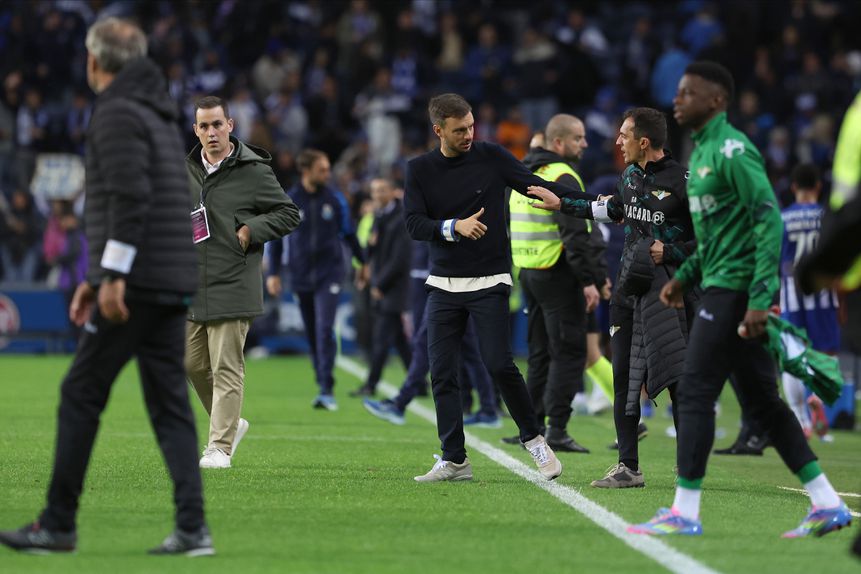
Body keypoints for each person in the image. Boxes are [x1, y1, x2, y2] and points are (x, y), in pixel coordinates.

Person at [0, 18, 212, 555]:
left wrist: (112, 276)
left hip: (137, 281)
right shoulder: (158, 113)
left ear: (95, 62)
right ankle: (193, 528)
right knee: (168, 404)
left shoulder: (116, 111)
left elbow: (129, 198)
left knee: (80, 392)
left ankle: (58, 524)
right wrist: (97, 279)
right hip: (168, 277)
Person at [625, 61, 849, 537]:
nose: (677, 99)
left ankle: (684, 511)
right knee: (764, 403)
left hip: (735, 292)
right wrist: (685, 276)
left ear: (717, 101)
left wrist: (760, 298)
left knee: (697, 390)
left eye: (688, 92)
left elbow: (767, 220)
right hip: (720, 284)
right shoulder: (703, 152)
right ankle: (827, 502)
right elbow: (721, 235)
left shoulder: (732, 150)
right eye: (678, 91)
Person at [403, 93, 591, 483]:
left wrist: (596, 204)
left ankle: (536, 441)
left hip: (490, 279)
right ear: (438, 131)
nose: (469, 134)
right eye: (459, 130)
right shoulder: (419, 169)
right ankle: (454, 459)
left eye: (471, 126)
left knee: (498, 364)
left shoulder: (491, 156)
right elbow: (414, 223)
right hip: (443, 283)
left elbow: (537, 185)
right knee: (441, 373)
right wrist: (453, 227)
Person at [529, 107, 694, 488]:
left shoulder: (685, 182)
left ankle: (689, 463)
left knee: (676, 379)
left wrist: (668, 253)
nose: (617, 141)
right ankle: (628, 466)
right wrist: (562, 202)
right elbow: (611, 208)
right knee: (623, 377)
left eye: (624, 135)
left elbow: (708, 243)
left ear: (644, 141)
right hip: (628, 290)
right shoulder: (630, 176)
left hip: (670, 293)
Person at [185, 95, 300, 469]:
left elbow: (289, 213)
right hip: (192, 283)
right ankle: (233, 423)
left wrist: (253, 229)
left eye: (217, 124)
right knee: (190, 363)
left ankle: (220, 447)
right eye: (204, 126)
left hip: (234, 280)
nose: (211, 132)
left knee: (227, 366)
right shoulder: (185, 170)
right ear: (196, 130)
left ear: (230, 125)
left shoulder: (254, 171)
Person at [503, 113, 598, 454]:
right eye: (578, 138)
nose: (584, 144)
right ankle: (556, 429)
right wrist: (589, 279)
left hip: (528, 271)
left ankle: (529, 427)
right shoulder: (563, 175)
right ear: (558, 143)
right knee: (569, 352)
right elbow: (575, 232)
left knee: (540, 352)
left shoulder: (526, 174)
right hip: (557, 271)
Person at [796, 89, 861, 558]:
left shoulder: (856, 112)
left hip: (812, 292)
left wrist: (832, 267)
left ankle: (811, 411)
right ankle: (824, 407)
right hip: (832, 292)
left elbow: (850, 201)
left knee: (796, 365)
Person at [266, 149, 365, 412]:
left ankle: (326, 388)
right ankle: (322, 380)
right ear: (306, 170)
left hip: (330, 274)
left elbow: (350, 235)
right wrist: (274, 273)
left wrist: (362, 263)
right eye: (322, 169)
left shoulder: (335, 200)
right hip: (300, 276)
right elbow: (276, 240)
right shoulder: (289, 200)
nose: (327, 174)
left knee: (323, 328)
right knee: (312, 332)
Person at [362, 241, 498, 427]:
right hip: (446, 283)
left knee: (425, 344)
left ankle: (400, 403)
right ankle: (488, 409)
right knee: (469, 351)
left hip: (446, 286)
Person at [779, 164, 840, 439]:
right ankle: (817, 394)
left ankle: (799, 417)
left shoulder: (782, 218)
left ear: (793, 188)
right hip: (823, 292)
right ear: (817, 187)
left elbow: (773, 257)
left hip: (791, 294)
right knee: (827, 352)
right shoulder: (826, 217)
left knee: (792, 355)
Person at [349, 178, 412, 397]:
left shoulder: (401, 216)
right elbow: (372, 247)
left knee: (382, 337)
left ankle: (371, 384)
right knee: (399, 339)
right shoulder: (379, 216)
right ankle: (418, 383)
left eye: (382, 190)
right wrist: (364, 269)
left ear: (393, 192)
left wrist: (380, 284)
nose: (377, 194)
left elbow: (400, 257)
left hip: (393, 285)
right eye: (374, 190)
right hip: (381, 283)